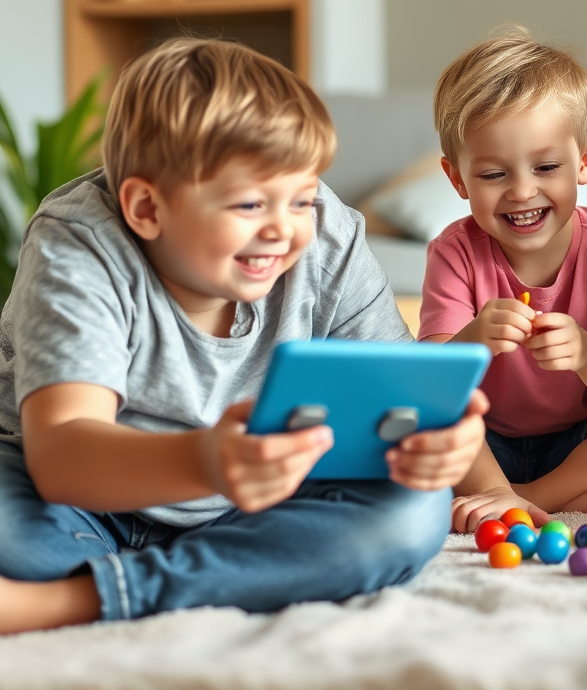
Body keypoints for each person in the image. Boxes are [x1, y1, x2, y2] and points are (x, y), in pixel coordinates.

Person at [0, 38, 486, 634]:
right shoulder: (79, 243)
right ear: (147, 209)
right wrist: (206, 460)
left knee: (411, 515)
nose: (284, 228)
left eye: (301, 198)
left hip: (253, 504)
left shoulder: (326, 232)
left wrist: (434, 441)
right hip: (75, 499)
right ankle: (223, 575)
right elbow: (64, 456)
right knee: (14, 534)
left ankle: (79, 600)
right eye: (251, 204)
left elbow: (391, 390)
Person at [418, 30, 587, 533]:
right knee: (424, 425)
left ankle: (527, 497)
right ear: (457, 180)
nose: (522, 191)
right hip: (486, 444)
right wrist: (474, 337)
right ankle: (501, 489)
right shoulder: (453, 251)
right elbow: (433, 387)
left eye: (545, 167)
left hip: (582, 440)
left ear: (584, 161)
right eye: (494, 174)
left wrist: (586, 353)